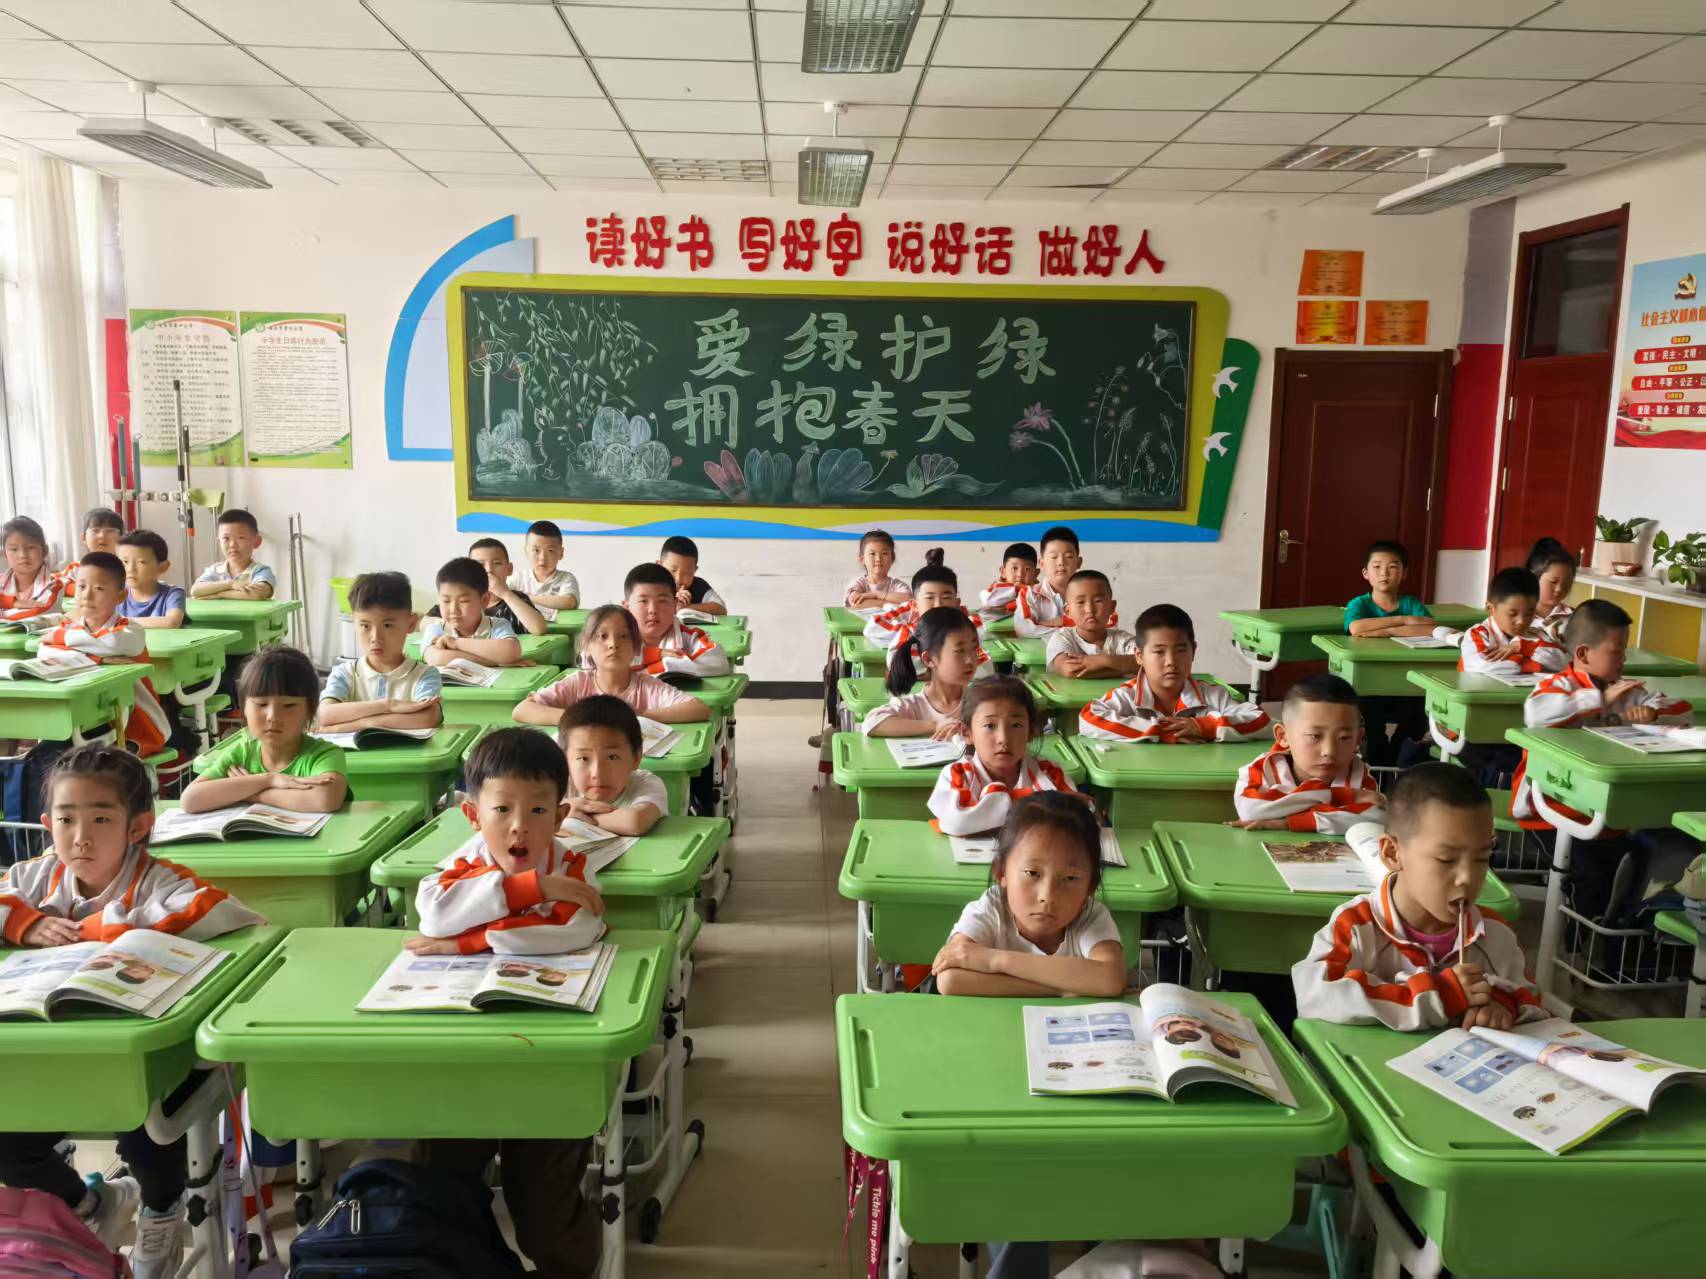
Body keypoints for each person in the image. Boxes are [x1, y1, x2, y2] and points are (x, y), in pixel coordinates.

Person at [0, 746, 263, 1279]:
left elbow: (222, 911)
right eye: (66, 820)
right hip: (48, 1057)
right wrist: (25, 923)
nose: (81, 837)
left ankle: (161, 1208)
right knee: (9, 1142)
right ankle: (89, 1204)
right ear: (47, 824)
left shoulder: (158, 881)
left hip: (139, 1066)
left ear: (138, 827)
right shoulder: (34, 878)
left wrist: (105, 929)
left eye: (101, 819)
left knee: (145, 1135)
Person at [407, 728, 603, 1279]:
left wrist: (467, 941)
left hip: (550, 1055)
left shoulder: (570, 865)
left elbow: (572, 931)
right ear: (473, 816)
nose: (520, 826)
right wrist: (527, 891)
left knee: (544, 1215)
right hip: (462, 1054)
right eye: (502, 809)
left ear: (560, 816)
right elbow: (434, 914)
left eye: (538, 810)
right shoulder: (465, 860)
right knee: (441, 1183)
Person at [930, 791, 1125, 1279]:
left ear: (1091, 884)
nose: (1047, 895)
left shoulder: (1090, 917)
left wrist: (995, 960)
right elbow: (951, 981)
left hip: (1073, 1076)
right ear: (1002, 872)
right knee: (1018, 1179)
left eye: (1070, 879)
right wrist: (1063, 985)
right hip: (992, 1072)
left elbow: (1107, 979)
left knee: (1089, 1169)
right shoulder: (989, 910)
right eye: (1032, 873)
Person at [1294, 762, 1543, 1031]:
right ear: (1392, 854)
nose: (1467, 877)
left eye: (1482, 858)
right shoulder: (1357, 925)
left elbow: (1531, 1000)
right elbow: (1315, 994)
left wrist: (1503, 1004)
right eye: (1446, 859)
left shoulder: (1494, 933)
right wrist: (1438, 996)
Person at [180, 645, 348, 814]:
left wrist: (251, 794)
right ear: (244, 708)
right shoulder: (240, 754)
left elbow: (325, 799)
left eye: (288, 705)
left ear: (309, 710)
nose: (272, 716)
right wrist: (269, 779)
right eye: (261, 704)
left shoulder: (324, 755)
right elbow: (190, 800)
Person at [40, 553, 173, 756]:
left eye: (99, 588)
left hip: (135, 723)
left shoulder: (130, 630)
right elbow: (43, 650)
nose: (87, 595)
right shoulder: (72, 628)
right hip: (89, 716)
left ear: (120, 596)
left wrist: (62, 638)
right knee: (52, 751)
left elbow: (113, 642)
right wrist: (98, 658)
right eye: (81, 586)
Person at [1079, 604, 1270, 744]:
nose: (1171, 661)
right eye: (1159, 652)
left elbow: (1261, 720)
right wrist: (1161, 732)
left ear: (1193, 651)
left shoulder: (1213, 696)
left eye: (1180, 650)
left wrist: (1205, 727)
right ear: (1139, 655)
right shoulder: (1128, 696)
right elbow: (1088, 718)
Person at [517, 604, 710, 736]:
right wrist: (581, 718)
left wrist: (640, 717)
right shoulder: (578, 683)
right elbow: (522, 710)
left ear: (637, 647)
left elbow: (700, 709)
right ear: (587, 645)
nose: (613, 644)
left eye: (624, 636)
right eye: (602, 636)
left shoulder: (646, 686)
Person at [928, 678, 1082, 836]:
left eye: (1016, 725)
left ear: (1030, 732)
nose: (1003, 738)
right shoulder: (957, 774)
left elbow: (1074, 821)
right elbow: (958, 822)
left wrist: (984, 814)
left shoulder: (1049, 773)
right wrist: (1039, 803)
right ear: (967, 733)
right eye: (990, 726)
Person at [1231, 673, 1383, 833]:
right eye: (1315, 736)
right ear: (1283, 736)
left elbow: (1375, 816)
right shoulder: (1261, 768)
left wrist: (1288, 822)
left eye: (1344, 737)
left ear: (1358, 739)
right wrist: (1341, 796)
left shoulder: (1357, 772)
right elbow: (1250, 810)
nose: (1329, 751)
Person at [317, 571, 443, 733]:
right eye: (365, 626)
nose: (376, 638)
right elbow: (325, 714)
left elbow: (427, 718)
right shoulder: (344, 673)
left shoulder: (424, 675)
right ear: (354, 623)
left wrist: (364, 724)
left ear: (411, 624)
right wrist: (389, 705)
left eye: (388, 625)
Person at [863, 607, 984, 739]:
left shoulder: (981, 701)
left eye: (974, 649)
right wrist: (934, 726)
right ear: (929, 659)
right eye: (959, 651)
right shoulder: (915, 706)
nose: (970, 660)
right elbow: (872, 722)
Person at [559, 695, 668, 835]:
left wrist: (566, 813)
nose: (597, 773)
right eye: (584, 758)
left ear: (636, 758)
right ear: (565, 760)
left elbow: (635, 822)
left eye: (612, 757)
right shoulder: (561, 785)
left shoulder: (646, 784)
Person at [617, 563, 730, 678]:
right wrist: (659, 655)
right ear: (626, 607)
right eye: (643, 601)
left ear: (675, 605)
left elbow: (718, 662)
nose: (652, 610)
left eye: (662, 601)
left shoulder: (688, 635)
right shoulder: (615, 636)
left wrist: (656, 668)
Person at [862, 550, 974, 660]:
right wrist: (917, 630)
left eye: (946, 598)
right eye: (930, 598)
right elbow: (873, 627)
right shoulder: (909, 629)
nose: (938, 605)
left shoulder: (968, 625)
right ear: (915, 604)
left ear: (957, 603)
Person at [1459, 566, 1565, 679]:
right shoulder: (1477, 634)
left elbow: (1562, 662)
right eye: (1512, 614)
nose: (1521, 621)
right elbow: (1483, 666)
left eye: (1529, 613)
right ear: (1491, 608)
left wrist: (1523, 647)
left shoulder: (1537, 634)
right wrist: (1532, 665)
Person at [420, 557, 524, 669]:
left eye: (463, 601)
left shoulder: (497, 625)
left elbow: (511, 652)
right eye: (446, 601)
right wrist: (493, 662)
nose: (453, 609)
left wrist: (455, 643)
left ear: (484, 600)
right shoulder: (437, 627)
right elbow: (436, 658)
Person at [1045, 569, 1135, 677]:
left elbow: (1146, 663)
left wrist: (1103, 660)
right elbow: (1070, 670)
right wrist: (1124, 669)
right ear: (1068, 611)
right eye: (1080, 602)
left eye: (1098, 601)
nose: (1089, 609)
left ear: (1111, 607)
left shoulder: (1123, 640)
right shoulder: (1063, 637)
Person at [1343, 540, 1433, 638]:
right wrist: (1404, 620)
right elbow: (1355, 628)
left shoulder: (1411, 604)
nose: (1384, 573)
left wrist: (1389, 632)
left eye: (1392, 567)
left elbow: (1431, 628)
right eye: (1377, 566)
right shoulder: (1359, 603)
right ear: (1366, 573)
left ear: (1404, 573)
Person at [457, 539, 547, 636]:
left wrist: (505, 593)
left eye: (497, 563)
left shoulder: (516, 599)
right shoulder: (462, 601)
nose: (489, 570)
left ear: (509, 569)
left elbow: (539, 628)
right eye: (480, 564)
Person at [188, 509, 275, 600]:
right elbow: (195, 591)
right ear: (219, 542)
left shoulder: (260, 571)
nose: (232, 544)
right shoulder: (215, 570)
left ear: (257, 541)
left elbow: (257, 594)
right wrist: (231, 584)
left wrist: (219, 595)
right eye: (226, 538)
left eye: (241, 538)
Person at [1013, 525, 1082, 637]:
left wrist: (1061, 622)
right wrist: (1074, 628)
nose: (1060, 562)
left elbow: (1104, 626)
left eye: (1068, 556)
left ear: (1078, 562)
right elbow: (1024, 629)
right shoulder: (1029, 594)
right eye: (1054, 557)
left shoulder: (1091, 594)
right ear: (1042, 563)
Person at [510, 519, 580, 620]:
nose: (542, 558)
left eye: (550, 550)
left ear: (561, 553)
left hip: (557, 629)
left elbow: (569, 602)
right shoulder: (518, 578)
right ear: (526, 552)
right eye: (536, 550)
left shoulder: (566, 578)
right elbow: (501, 595)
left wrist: (527, 598)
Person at [115, 531, 187, 629]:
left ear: (163, 567)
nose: (130, 569)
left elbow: (172, 622)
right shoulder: (114, 593)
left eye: (141, 562)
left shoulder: (172, 594)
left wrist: (121, 621)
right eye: (125, 562)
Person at [0, 515, 64, 620]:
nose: (22, 555)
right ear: (5, 554)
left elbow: (39, 615)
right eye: (14, 549)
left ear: (44, 551)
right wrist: (14, 603)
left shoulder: (54, 586)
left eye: (30, 548)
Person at [659, 534, 726, 616]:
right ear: (660, 566)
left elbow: (721, 608)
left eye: (686, 573)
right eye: (673, 570)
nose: (678, 579)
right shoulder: (650, 585)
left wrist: (684, 608)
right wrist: (672, 605)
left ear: (694, 570)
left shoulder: (698, 585)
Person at [59, 507, 125, 588]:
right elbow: (58, 584)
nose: (102, 536)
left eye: (110, 531)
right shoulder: (76, 568)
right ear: (84, 538)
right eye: (95, 531)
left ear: (121, 538)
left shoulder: (127, 568)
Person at [843, 529, 911, 609]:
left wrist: (876, 594)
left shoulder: (897, 585)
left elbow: (909, 600)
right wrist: (895, 604)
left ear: (892, 558)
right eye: (872, 554)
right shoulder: (858, 583)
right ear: (862, 559)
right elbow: (856, 603)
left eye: (884, 553)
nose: (878, 559)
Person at [1527, 537, 1577, 643]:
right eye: (1553, 582)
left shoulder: (1575, 618)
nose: (1559, 589)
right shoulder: (1517, 615)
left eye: (1567, 583)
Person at [978, 542, 1037, 619]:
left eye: (1027, 569)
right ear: (1003, 572)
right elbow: (986, 600)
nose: (1020, 574)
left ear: (1036, 574)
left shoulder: (1039, 592)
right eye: (1014, 568)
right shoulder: (995, 590)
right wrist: (1017, 590)